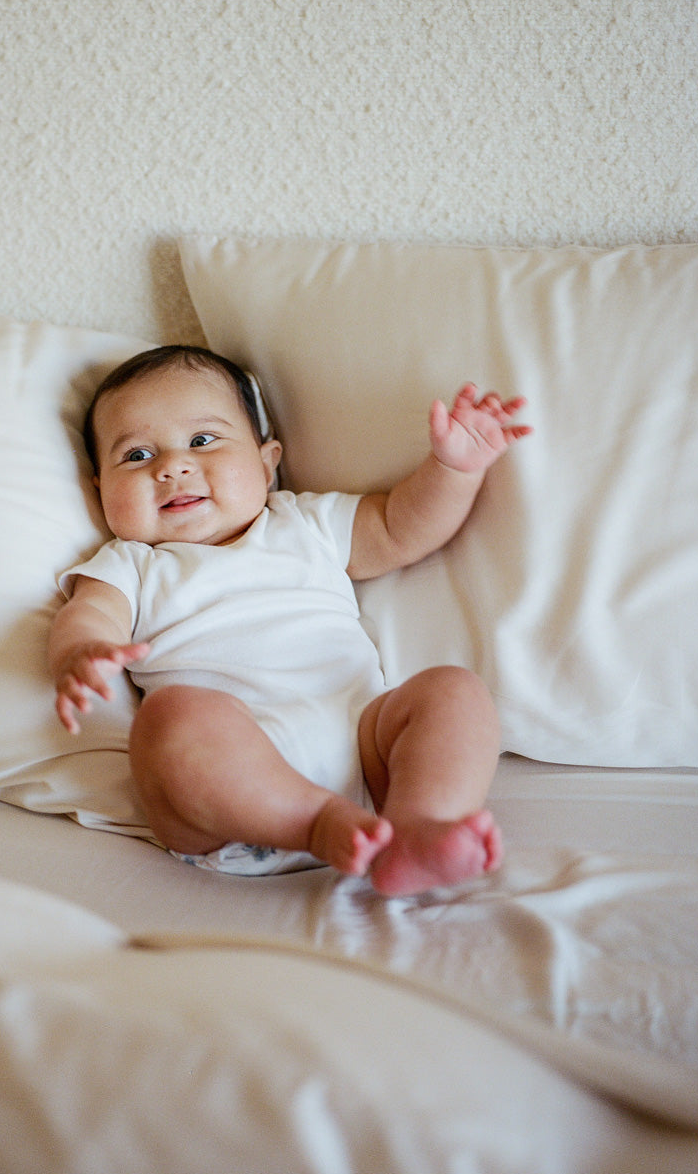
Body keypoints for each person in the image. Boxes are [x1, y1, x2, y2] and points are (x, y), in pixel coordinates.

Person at [49, 345, 531, 895]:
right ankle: (317, 823)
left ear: (266, 461)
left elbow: (402, 527)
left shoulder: (304, 522)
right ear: (99, 491)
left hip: (369, 751)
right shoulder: (132, 563)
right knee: (169, 719)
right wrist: (79, 653)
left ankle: (420, 826)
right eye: (135, 455)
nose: (172, 467)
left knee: (454, 690)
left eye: (202, 441)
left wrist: (452, 469)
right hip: (233, 799)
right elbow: (89, 615)